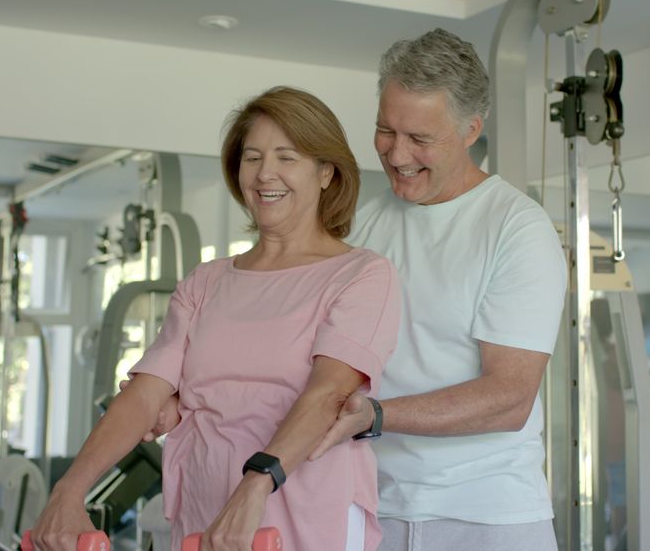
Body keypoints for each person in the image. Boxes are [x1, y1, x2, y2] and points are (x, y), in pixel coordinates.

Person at [29, 86, 401, 551]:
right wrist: (69, 489)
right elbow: (145, 394)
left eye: (287, 157)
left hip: (305, 504)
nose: (266, 173)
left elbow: (329, 393)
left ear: (326, 172)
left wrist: (256, 483)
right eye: (252, 157)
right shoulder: (205, 282)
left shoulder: (361, 274)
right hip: (206, 506)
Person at [308, 28, 568, 550]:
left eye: (420, 139)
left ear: (471, 129)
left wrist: (376, 416)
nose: (396, 154)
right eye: (386, 130)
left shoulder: (516, 227)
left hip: (484, 513)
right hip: (370, 503)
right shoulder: (359, 221)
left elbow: (509, 398)